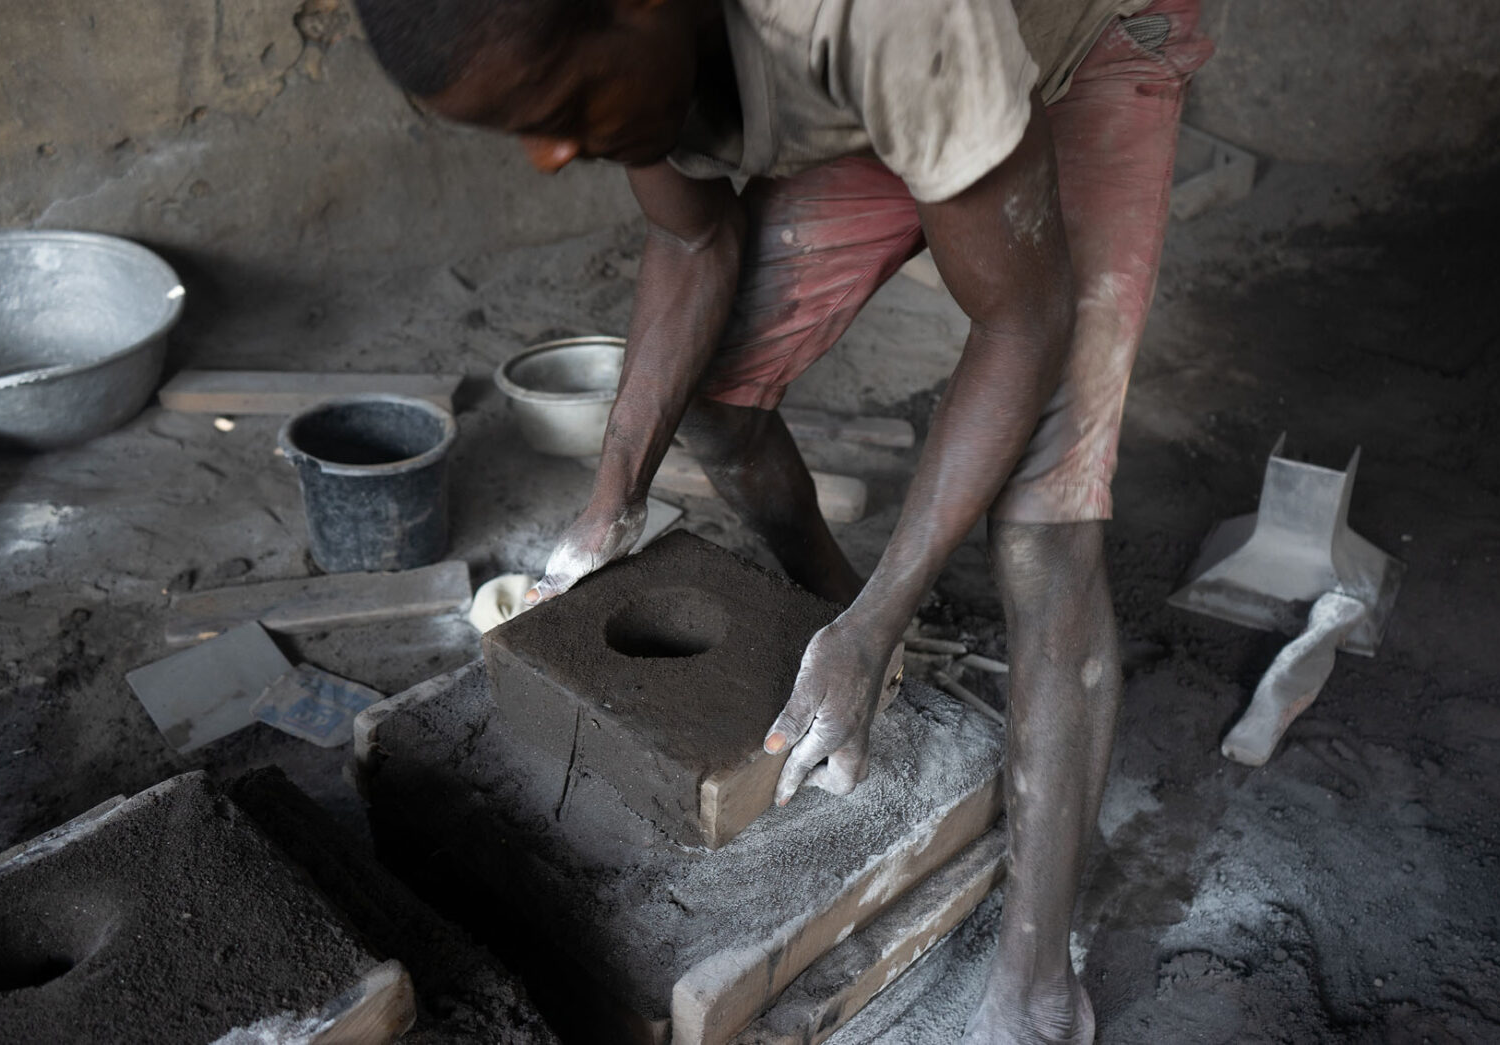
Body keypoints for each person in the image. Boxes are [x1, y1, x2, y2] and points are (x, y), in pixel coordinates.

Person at [355, 0, 1210, 1038]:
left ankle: (1034, 989)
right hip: (908, 89)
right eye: (522, 129)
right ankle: (855, 667)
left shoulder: (879, 18)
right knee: (715, 393)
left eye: (566, 106)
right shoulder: (647, 61)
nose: (548, 155)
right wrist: (609, 501)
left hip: (1081, 42)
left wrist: (885, 610)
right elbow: (689, 234)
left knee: (1041, 527)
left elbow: (1017, 318)